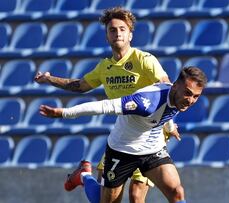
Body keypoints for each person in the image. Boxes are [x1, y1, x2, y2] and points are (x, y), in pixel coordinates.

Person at [34, 6, 179, 203]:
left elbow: (166, 88)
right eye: (112, 30)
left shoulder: (144, 60)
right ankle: (84, 177)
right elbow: (80, 86)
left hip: (149, 138)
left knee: (136, 197)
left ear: (130, 35)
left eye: (122, 29)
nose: (117, 33)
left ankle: (83, 177)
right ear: (107, 36)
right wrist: (50, 79)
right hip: (122, 137)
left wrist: (169, 123)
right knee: (107, 199)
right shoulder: (105, 67)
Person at [40, 66, 207, 203]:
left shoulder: (178, 97)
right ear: (175, 86)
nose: (190, 100)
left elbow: (167, 112)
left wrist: (170, 127)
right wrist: (64, 113)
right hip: (122, 151)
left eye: (196, 96)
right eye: (188, 93)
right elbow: (104, 106)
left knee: (177, 192)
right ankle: (83, 176)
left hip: (152, 150)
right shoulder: (145, 102)